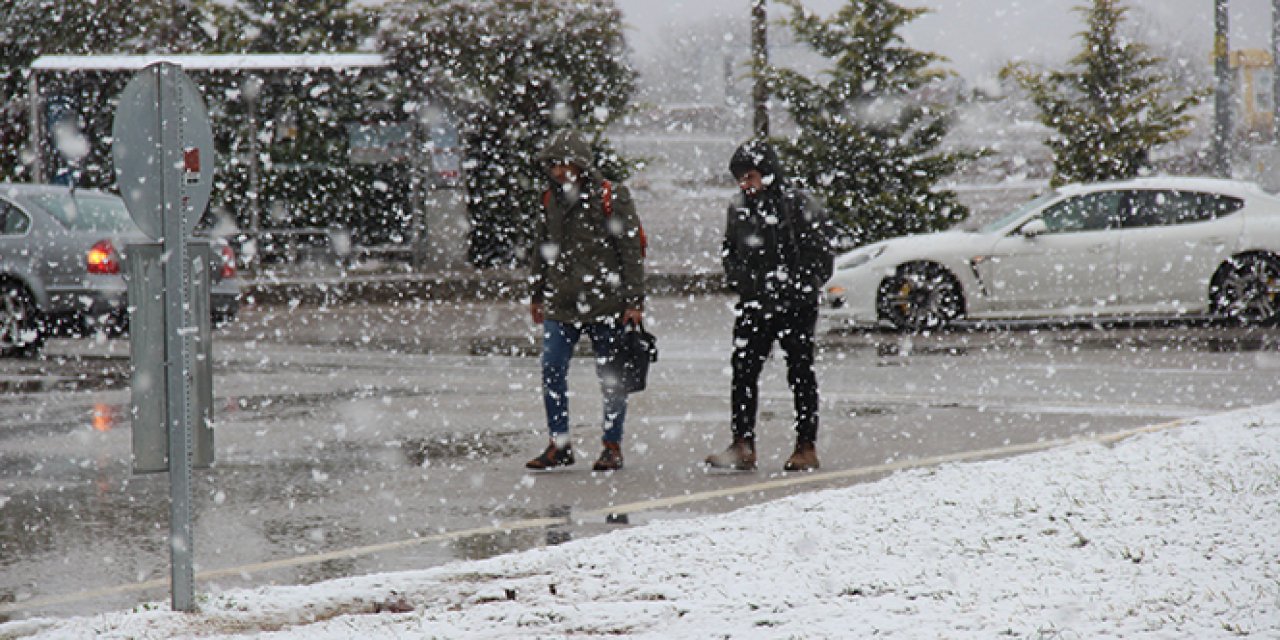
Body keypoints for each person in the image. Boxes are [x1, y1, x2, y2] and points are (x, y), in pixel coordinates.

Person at [705, 139, 834, 472]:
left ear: (767, 173)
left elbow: (821, 258)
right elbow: (730, 252)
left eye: (750, 177)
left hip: (796, 306)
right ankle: (742, 443)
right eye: (741, 179)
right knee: (743, 373)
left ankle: (806, 446)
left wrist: (796, 288)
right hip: (754, 305)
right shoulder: (739, 209)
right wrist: (746, 285)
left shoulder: (798, 205)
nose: (745, 186)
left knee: (800, 374)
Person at [525, 129, 645, 472]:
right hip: (561, 304)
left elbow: (631, 252)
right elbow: (541, 248)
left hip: (607, 305)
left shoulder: (612, 196)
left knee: (611, 377)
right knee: (551, 368)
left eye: (564, 164)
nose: (559, 171)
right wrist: (536, 292)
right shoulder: (549, 199)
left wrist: (634, 302)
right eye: (553, 165)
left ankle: (612, 445)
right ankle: (559, 444)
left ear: (581, 163)